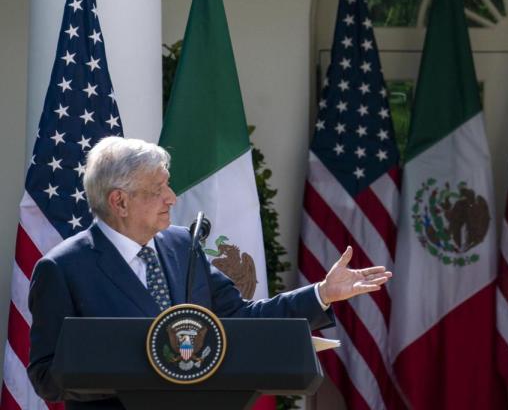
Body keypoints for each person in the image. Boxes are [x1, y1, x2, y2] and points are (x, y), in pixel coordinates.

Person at [28, 137, 392, 408]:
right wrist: (141, 369)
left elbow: (240, 318)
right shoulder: (62, 269)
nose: (172, 197)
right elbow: (46, 377)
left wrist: (321, 294)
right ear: (119, 201)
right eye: (158, 189)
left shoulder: (180, 246)